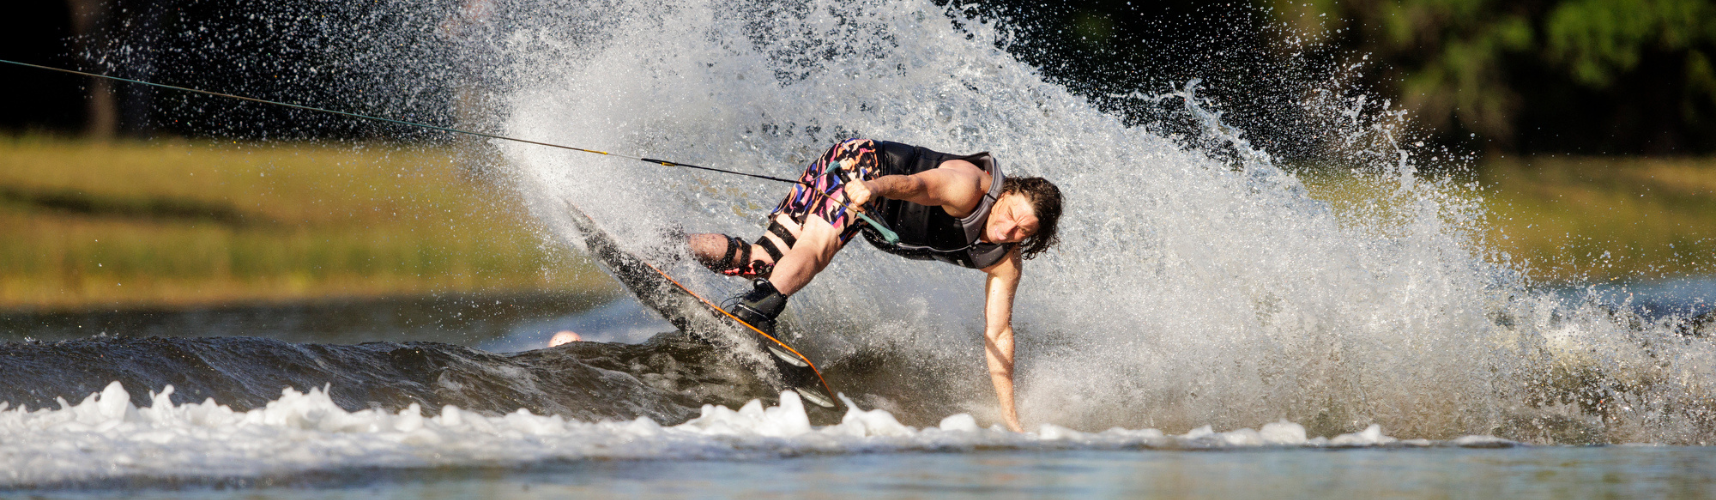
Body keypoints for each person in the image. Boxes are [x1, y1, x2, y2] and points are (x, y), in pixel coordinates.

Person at [686, 138, 1063, 432]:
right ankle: (758, 309)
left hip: (870, 193)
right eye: (1011, 215)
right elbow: (916, 184)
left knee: (764, 260)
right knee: (817, 248)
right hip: (861, 167)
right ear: (1006, 192)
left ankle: (670, 244)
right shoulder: (965, 189)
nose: (1008, 229)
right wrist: (873, 187)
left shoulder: (1003, 261)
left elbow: (998, 333)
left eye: (1022, 231)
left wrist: (1010, 417)